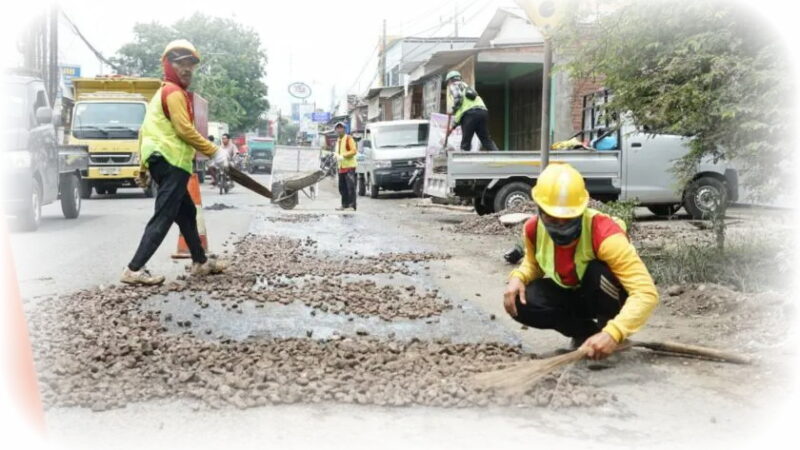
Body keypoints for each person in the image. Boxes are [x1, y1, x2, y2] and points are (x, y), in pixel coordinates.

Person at [503, 163, 659, 360]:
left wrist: (614, 332)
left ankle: (606, 329)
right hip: (574, 293)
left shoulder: (605, 234)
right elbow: (534, 263)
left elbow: (645, 292)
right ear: (539, 210)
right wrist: (518, 277)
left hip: (607, 296)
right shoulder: (533, 229)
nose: (560, 226)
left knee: (597, 272)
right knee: (520, 300)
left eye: (567, 219)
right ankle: (586, 334)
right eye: (552, 219)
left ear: (581, 210)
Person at [121, 39, 230, 286]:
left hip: (168, 163)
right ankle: (134, 269)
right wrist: (214, 151)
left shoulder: (162, 93)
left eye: (190, 65)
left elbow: (144, 132)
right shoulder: (173, 92)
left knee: (187, 213)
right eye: (181, 63)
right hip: (171, 163)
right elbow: (184, 130)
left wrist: (143, 166)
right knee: (164, 215)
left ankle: (200, 262)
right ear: (168, 64)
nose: (187, 69)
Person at [445, 70, 499, 152]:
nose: (448, 84)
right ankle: (498, 156)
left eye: (448, 82)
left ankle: (464, 162)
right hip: (482, 112)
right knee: (485, 139)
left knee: (465, 142)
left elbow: (458, 100)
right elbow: (462, 109)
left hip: (470, 114)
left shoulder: (454, 85)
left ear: (450, 80)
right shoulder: (467, 86)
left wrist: (454, 109)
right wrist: (453, 126)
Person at [334, 122, 357, 211]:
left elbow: (354, 151)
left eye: (341, 128)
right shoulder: (338, 140)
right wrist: (336, 155)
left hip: (349, 167)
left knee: (350, 187)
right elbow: (338, 152)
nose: (339, 130)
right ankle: (344, 204)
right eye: (337, 128)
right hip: (341, 167)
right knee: (342, 188)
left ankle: (352, 205)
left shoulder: (348, 138)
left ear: (344, 129)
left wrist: (343, 155)